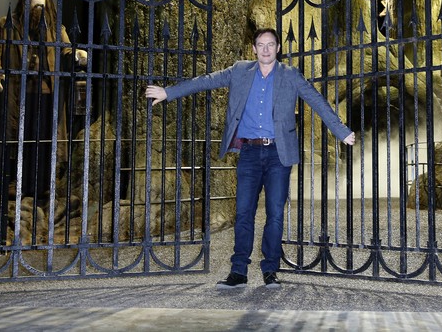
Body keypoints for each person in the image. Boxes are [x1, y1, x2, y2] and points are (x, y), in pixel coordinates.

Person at [146, 28, 355, 289]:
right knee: (244, 213)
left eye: (270, 44)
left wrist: (341, 131)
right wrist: (169, 92)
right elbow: (205, 80)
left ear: (278, 48)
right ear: (254, 49)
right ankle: (239, 271)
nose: (265, 49)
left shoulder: (290, 75)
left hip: (279, 154)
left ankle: (270, 270)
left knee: (275, 215)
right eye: (260, 44)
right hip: (249, 154)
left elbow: (317, 100)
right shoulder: (239, 70)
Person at [0, 0, 87, 200]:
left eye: (42, 6)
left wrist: (77, 54)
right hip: (18, 93)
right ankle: (12, 183)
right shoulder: (7, 25)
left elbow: (66, 51)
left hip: (46, 96)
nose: (38, 12)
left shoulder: (55, 28)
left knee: (44, 139)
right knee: (17, 136)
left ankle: (42, 185)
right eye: (34, 6)